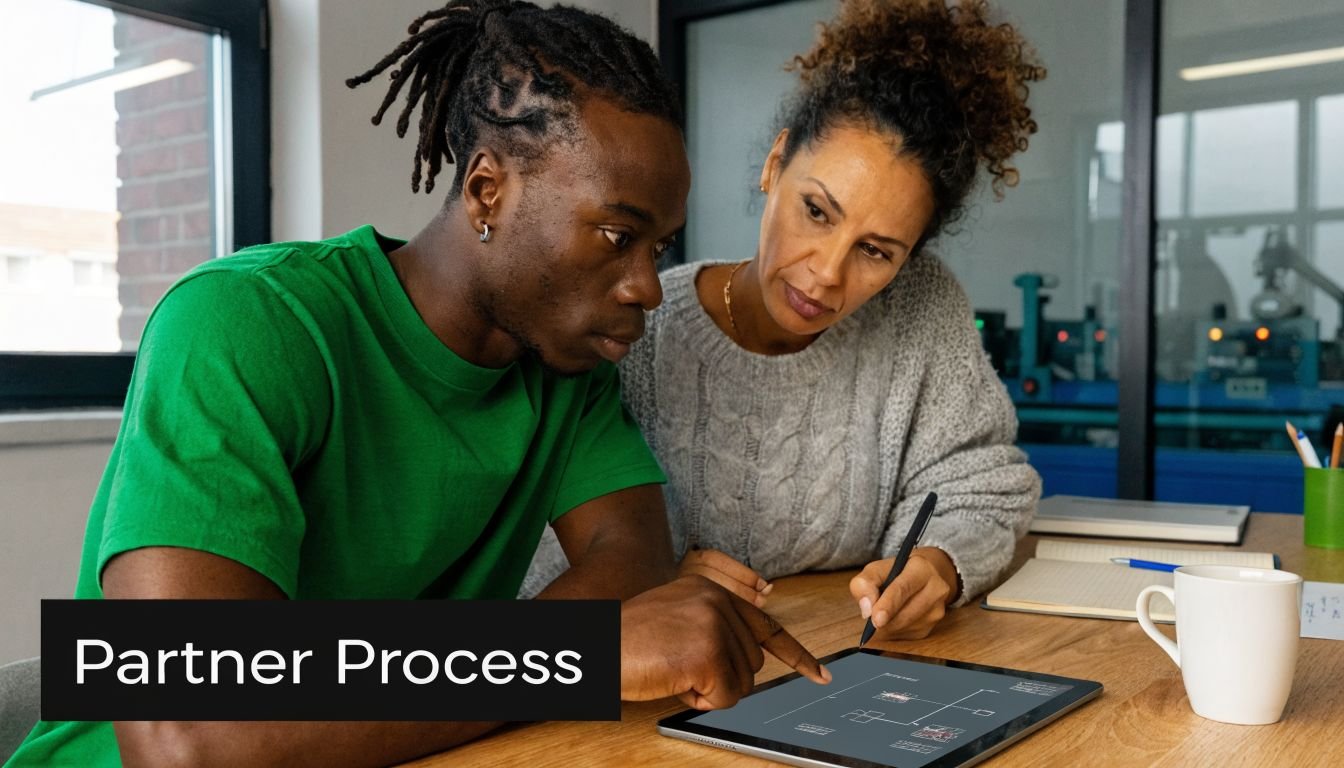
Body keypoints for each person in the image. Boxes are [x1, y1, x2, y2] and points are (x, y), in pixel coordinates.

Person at [3, 3, 828, 767]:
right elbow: (188, 733)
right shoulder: (244, 322)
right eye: (617, 235)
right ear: (486, 190)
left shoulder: (562, 365)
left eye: (658, 246)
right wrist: (572, 658)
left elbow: (632, 559)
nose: (648, 285)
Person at [524, 0, 1047, 642]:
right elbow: (519, 547)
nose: (827, 272)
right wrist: (641, 578)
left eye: (876, 250)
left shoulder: (918, 308)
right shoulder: (634, 324)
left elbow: (980, 482)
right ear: (775, 165)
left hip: (844, 666)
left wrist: (940, 563)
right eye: (818, 212)